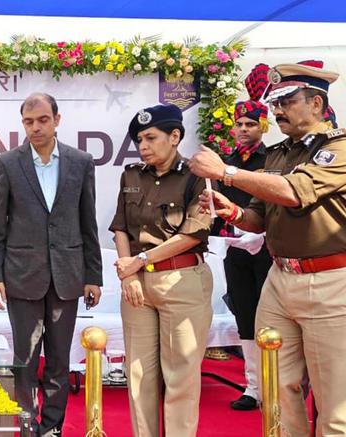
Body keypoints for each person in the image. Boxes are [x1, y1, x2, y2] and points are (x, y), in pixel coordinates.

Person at [190, 60, 346, 436]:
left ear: (316, 103)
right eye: (275, 103)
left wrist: (226, 173)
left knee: (334, 400)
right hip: (279, 279)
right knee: (275, 385)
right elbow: (258, 217)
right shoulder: (278, 154)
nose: (277, 111)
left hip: (329, 281)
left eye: (287, 101)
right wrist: (232, 211)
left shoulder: (339, 147)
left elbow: (294, 192)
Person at [0, 93, 102, 436]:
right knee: (25, 359)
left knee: (60, 360)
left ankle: (52, 428)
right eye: (28, 121)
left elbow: (88, 222)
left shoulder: (81, 162)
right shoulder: (8, 163)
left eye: (42, 120)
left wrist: (93, 275)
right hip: (21, 275)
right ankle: (26, 425)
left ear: (57, 120)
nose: (35, 127)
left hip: (68, 275)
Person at [110, 104, 214, 436]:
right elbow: (120, 227)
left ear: (174, 136)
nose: (143, 146)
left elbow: (193, 234)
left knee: (181, 376)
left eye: (151, 138)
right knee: (138, 375)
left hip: (181, 280)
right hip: (137, 284)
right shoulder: (131, 174)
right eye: (139, 140)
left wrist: (139, 261)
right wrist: (129, 275)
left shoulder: (197, 175)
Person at [210, 64, 274, 411]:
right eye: (240, 124)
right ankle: (253, 387)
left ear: (262, 126)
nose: (244, 129)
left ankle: (276, 384)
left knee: (270, 317)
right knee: (244, 315)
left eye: (251, 124)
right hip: (235, 250)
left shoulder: (272, 159)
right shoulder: (225, 163)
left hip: (269, 250)